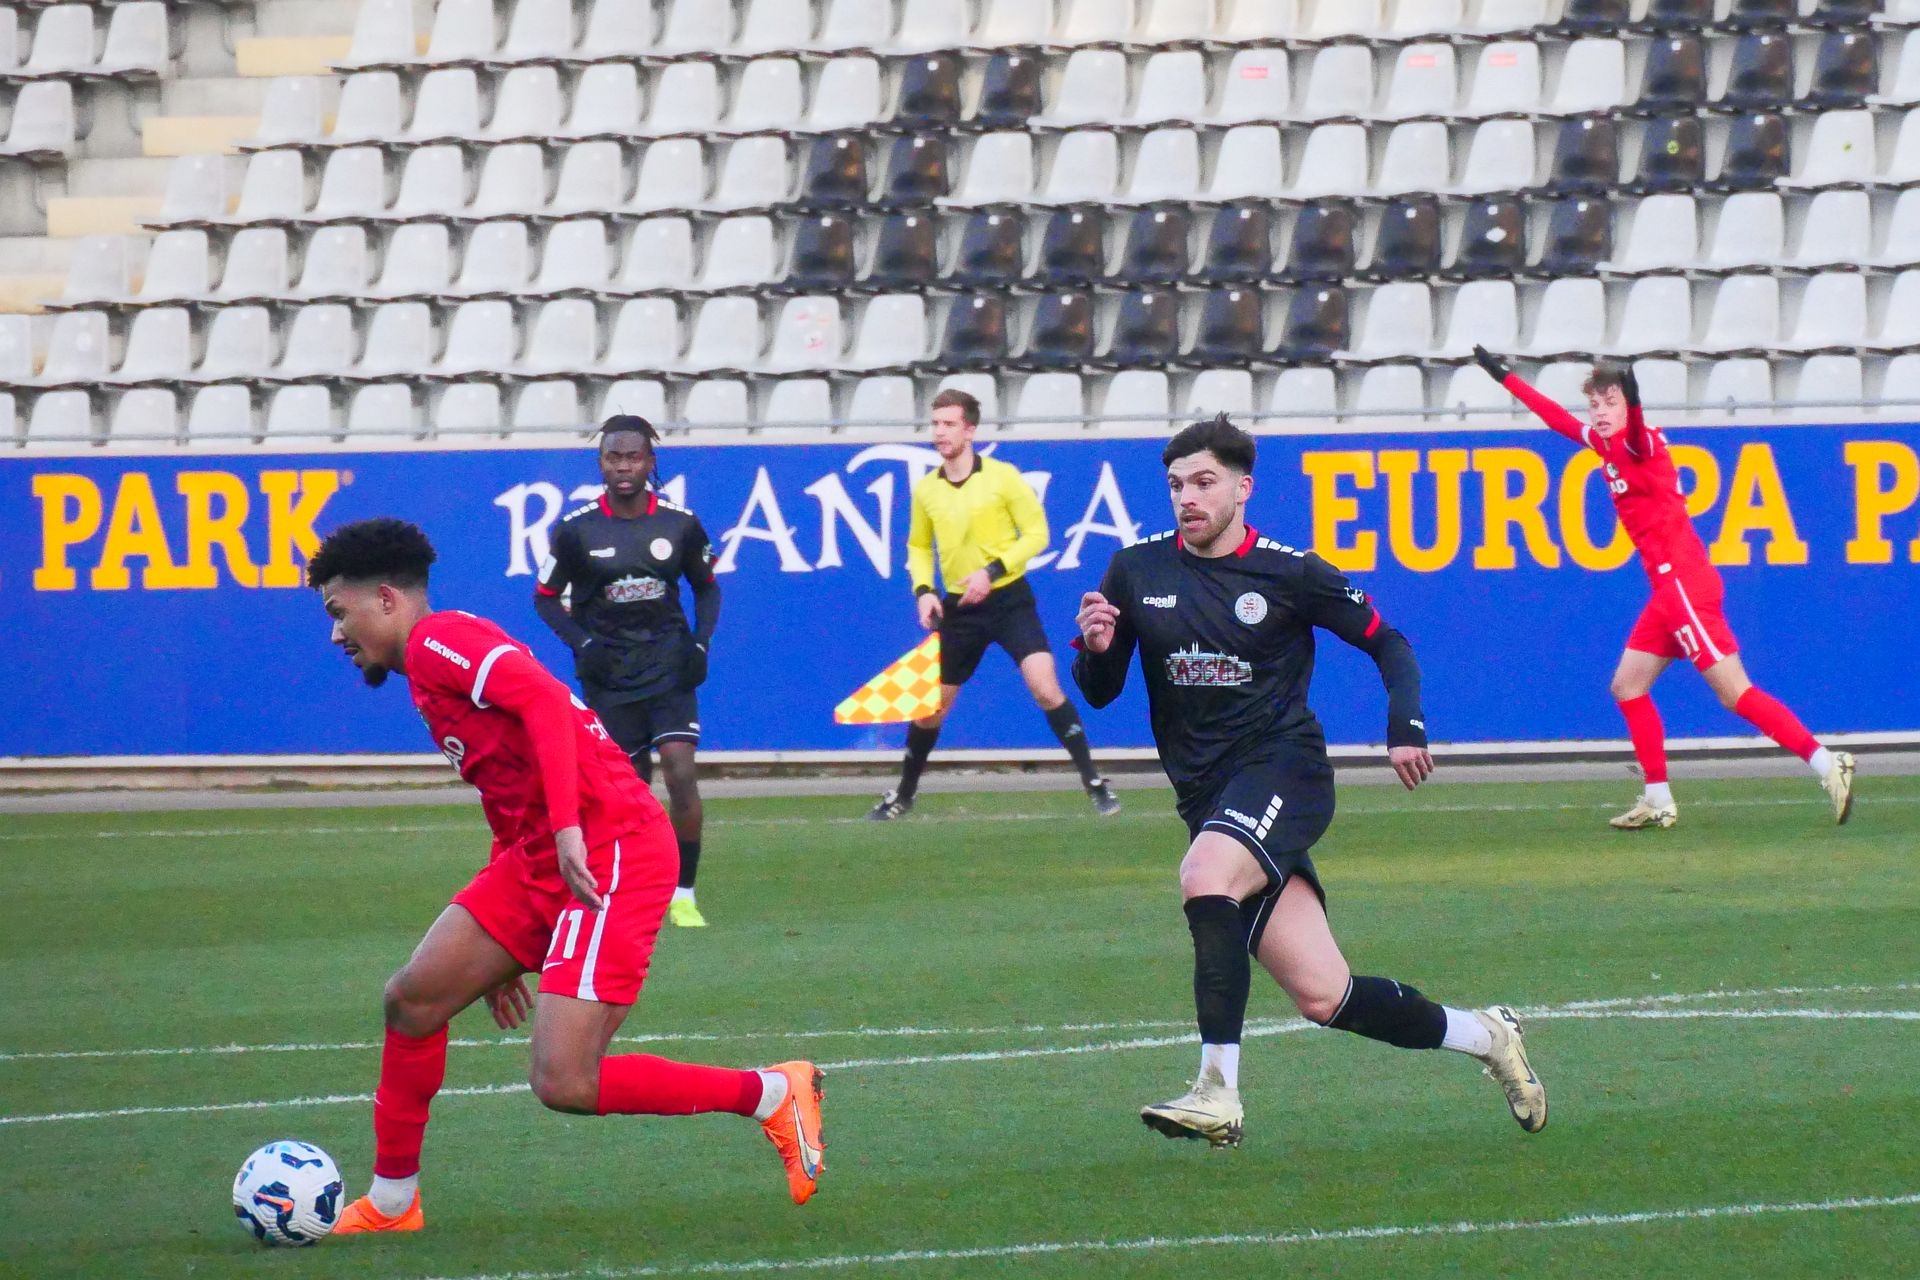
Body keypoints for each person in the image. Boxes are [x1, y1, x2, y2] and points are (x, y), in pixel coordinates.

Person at [307, 517, 823, 1234]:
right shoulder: (426, 669)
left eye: (340, 612)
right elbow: (506, 789)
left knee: (565, 1080)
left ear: (387, 599)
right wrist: (500, 949)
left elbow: (546, 701)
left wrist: (568, 828)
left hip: (612, 847)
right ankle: (394, 1203)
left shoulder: (437, 640)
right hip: (536, 858)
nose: (337, 634)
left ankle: (770, 1093)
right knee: (413, 1001)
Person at [1071, 415, 1546, 1148]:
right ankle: (1487, 1036)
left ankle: (1217, 1091)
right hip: (1210, 798)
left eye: (1204, 482)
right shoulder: (1136, 571)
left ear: (1243, 488)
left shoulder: (1290, 572)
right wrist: (1099, 649)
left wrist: (1406, 724)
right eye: (1176, 485)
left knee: (1204, 876)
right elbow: (1100, 691)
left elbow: (1388, 642)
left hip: (1284, 769)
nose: (1188, 497)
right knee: (1326, 996)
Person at [1475, 348, 1855, 829]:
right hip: (1668, 593)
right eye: (1595, 405)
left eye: (1610, 403)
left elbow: (1635, 427)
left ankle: (1827, 763)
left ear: (1627, 406)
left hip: (1685, 585)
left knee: (1735, 693)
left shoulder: (1640, 443)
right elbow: (1555, 418)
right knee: (1627, 686)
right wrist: (1504, 378)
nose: (1600, 413)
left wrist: (1631, 394)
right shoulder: (1605, 445)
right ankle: (1657, 797)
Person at [868, 388, 1121, 820]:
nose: (940, 432)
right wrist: (924, 590)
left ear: (970, 430)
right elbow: (918, 546)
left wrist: (992, 571)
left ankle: (1094, 783)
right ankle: (904, 793)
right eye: (936, 423)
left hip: (1008, 600)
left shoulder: (1002, 477)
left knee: (1045, 687)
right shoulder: (927, 489)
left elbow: (1037, 534)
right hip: (959, 609)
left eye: (949, 424)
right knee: (931, 709)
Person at [535, 415, 720, 927]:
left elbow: (707, 587)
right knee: (629, 790)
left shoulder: (680, 524)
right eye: (613, 457)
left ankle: (684, 893)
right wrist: (582, 644)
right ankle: (636, 886)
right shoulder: (575, 530)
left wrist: (700, 643)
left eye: (633, 457)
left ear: (649, 462)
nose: (623, 466)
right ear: (601, 463)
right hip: (610, 677)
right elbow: (545, 599)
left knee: (680, 770)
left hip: (669, 667)